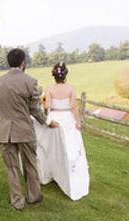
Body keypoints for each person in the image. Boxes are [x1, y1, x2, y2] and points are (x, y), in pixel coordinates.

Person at [0, 48, 59, 211]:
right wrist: (47, 122)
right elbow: (34, 109)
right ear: (23, 63)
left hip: (5, 131)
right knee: (30, 164)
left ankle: (17, 201)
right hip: (25, 131)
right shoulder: (31, 82)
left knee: (12, 168)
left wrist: (4, 117)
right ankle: (34, 197)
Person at [33, 62, 89, 201]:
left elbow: (47, 106)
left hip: (54, 119)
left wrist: (43, 100)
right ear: (65, 75)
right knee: (70, 145)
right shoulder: (71, 89)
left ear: (54, 75)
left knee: (54, 147)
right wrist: (78, 122)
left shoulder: (50, 88)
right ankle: (70, 174)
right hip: (68, 119)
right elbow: (74, 107)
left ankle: (53, 172)